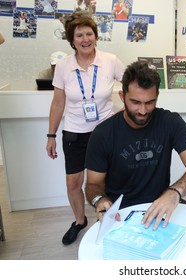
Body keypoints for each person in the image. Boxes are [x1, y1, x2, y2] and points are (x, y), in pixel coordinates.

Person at [84, 61, 186, 230]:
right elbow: (92, 185)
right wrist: (99, 200)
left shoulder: (171, 122)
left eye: (150, 102)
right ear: (122, 96)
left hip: (160, 205)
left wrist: (174, 192)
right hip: (121, 212)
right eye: (135, 102)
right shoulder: (103, 133)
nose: (142, 111)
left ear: (157, 96)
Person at [46, 11, 125, 246]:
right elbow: (58, 102)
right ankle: (80, 221)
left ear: (95, 36)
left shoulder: (110, 60)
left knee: (108, 180)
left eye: (89, 33)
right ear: (72, 40)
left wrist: (125, 113)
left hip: (105, 132)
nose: (85, 39)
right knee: (74, 182)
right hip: (74, 131)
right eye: (79, 35)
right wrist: (51, 135)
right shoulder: (63, 66)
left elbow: (132, 84)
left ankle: (109, 217)